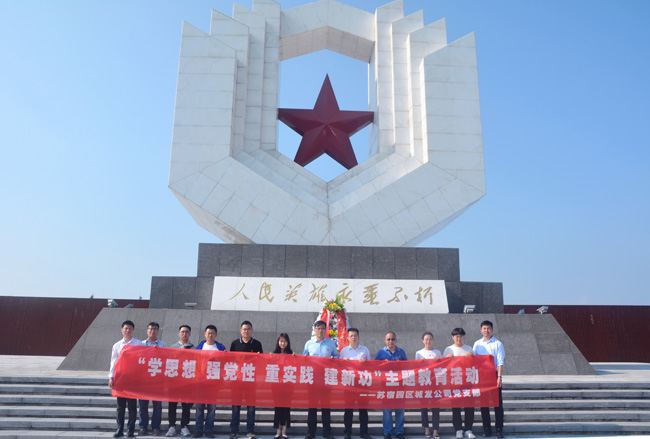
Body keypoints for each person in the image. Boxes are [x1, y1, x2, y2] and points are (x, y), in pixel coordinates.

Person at [303, 320, 339, 439]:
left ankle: (327, 432)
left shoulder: (331, 343)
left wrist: (334, 358)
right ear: (315, 330)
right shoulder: (309, 343)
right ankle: (311, 432)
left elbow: (337, 357)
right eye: (318, 328)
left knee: (326, 408)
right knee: (312, 408)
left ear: (326, 330)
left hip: (326, 380)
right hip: (312, 380)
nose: (320, 331)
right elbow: (303, 358)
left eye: (323, 328)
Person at [229, 321, 264, 439]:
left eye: (248, 329)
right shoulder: (234, 344)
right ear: (240, 331)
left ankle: (250, 430)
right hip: (237, 380)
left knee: (251, 408)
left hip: (251, 380)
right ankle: (234, 430)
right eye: (244, 329)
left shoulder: (257, 344)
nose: (246, 331)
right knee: (235, 407)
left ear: (252, 330)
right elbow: (230, 361)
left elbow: (261, 361)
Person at [109, 320, 143, 438]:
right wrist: (111, 377)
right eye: (126, 328)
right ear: (122, 330)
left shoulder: (138, 343)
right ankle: (119, 429)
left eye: (130, 329)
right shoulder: (117, 345)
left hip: (133, 379)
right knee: (120, 407)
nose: (128, 330)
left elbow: (144, 358)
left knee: (132, 406)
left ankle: (130, 430)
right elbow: (113, 362)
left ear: (133, 330)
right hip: (120, 379)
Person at [472, 321, 505, 438]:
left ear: (492, 330)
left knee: (497, 404)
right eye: (484, 328)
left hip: (494, 375)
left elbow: (500, 362)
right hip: (482, 377)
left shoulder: (498, 344)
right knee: (484, 404)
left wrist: (499, 377)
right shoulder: (477, 344)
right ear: (481, 330)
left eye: (488, 328)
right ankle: (486, 429)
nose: (486, 331)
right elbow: (473, 361)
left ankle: (499, 429)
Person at [340, 328, 372, 439]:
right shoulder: (344, 351)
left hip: (362, 383)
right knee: (348, 410)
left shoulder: (365, 350)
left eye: (355, 335)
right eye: (351, 336)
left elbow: (371, 366)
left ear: (358, 337)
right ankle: (347, 432)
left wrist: (365, 362)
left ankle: (364, 432)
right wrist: (343, 361)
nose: (353, 338)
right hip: (349, 384)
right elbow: (339, 367)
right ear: (348, 338)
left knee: (363, 410)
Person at [443, 328, 475, 439]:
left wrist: (472, 356)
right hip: (454, 382)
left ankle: (468, 429)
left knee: (469, 407)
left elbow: (476, 364)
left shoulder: (469, 348)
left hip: (467, 382)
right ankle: (458, 429)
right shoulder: (448, 349)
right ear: (453, 337)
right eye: (457, 336)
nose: (459, 338)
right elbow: (443, 366)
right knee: (456, 407)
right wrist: (446, 358)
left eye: (461, 336)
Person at [375, 331, 408, 439]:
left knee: (400, 410)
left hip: (399, 386)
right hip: (386, 386)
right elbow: (374, 368)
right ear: (385, 341)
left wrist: (400, 365)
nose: (391, 341)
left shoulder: (401, 352)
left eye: (393, 339)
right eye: (388, 339)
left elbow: (407, 367)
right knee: (387, 410)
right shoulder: (380, 353)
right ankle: (387, 432)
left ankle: (399, 431)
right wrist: (382, 364)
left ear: (396, 340)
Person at [194, 325, 225, 438]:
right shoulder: (200, 347)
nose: (210, 335)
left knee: (211, 409)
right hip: (200, 382)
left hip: (214, 384)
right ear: (205, 334)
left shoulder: (220, 347)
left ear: (216, 334)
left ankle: (209, 430)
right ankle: (198, 430)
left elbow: (224, 363)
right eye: (208, 333)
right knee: (199, 408)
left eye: (212, 333)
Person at [139, 322, 168, 436]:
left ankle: (156, 427)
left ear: (158, 331)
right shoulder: (140, 344)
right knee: (143, 406)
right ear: (147, 331)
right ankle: (143, 427)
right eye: (150, 329)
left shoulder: (163, 345)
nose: (152, 331)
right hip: (143, 381)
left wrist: (159, 352)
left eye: (155, 329)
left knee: (157, 406)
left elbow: (166, 360)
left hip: (157, 381)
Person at [166, 324, 195, 438]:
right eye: (182, 332)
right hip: (174, 381)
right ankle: (172, 426)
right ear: (179, 334)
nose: (184, 334)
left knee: (186, 405)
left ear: (190, 334)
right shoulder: (172, 347)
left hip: (187, 382)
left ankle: (184, 425)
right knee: (172, 404)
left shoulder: (194, 349)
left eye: (186, 332)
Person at [416, 332, 441, 439]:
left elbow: (443, 367)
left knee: (436, 408)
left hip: (435, 384)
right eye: (426, 339)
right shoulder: (419, 353)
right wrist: (420, 362)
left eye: (430, 339)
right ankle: (426, 429)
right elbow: (416, 369)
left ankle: (435, 430)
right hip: (423, 384)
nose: (428, 341)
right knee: (424, 408)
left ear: (433, 340)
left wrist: (438, 360)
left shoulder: (437, 352)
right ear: (423, 341)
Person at [273, 333, 293, 439]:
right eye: (281, 341)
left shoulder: (291, 353)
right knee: (277, 408)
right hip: (276, 385)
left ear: (288, 342)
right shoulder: (274, 354)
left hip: (287, 385)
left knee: (286, 408)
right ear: (278, 342)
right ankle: (278, 431)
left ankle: (284, 431)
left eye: (285, 341)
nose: (283, 343)